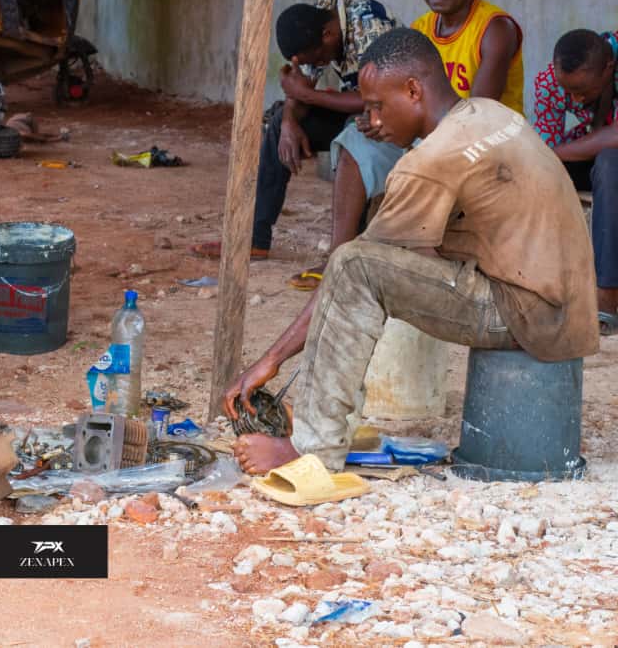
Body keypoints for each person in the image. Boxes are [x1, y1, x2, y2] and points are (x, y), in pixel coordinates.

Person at [224, 28, 597, 475]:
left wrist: (271, 358)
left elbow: (354, 270)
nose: (373, 121)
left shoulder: (430, 162)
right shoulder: (489, 113)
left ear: (414, 90)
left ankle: (311, 448)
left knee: (353, 264)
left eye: (378, 106)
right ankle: (310, 414)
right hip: (566, 307)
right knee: (378, 237)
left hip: (529, 314)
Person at [192, 0, 405, 291]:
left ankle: (345, 254)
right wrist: (290, 121)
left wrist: (306, 95)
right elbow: (300, 86)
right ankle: (255, 238)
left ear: (329, 35)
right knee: (278, 123)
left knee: (353, 130)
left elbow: (376, 99)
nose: (317, 63)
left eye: (318, 58)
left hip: (393, 118)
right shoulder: (318, 20)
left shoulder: (371, 23)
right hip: (361, 111)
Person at [533, 28, 618, 334]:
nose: (574, 99)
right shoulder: (549, 82)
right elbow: (547, 149)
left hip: (610, 157)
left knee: (609, 162)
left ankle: (607, 295)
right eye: (567, 92)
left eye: (582, 91)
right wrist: (542, 159)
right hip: (591, 151)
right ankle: (537, 284)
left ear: (608, 67)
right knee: (535, 170)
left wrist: (553, 153)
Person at [412, 0, 524, 115]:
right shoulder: (420, 28)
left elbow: (478, 113)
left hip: (493, 137)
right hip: (442, 134)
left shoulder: (496, 28)